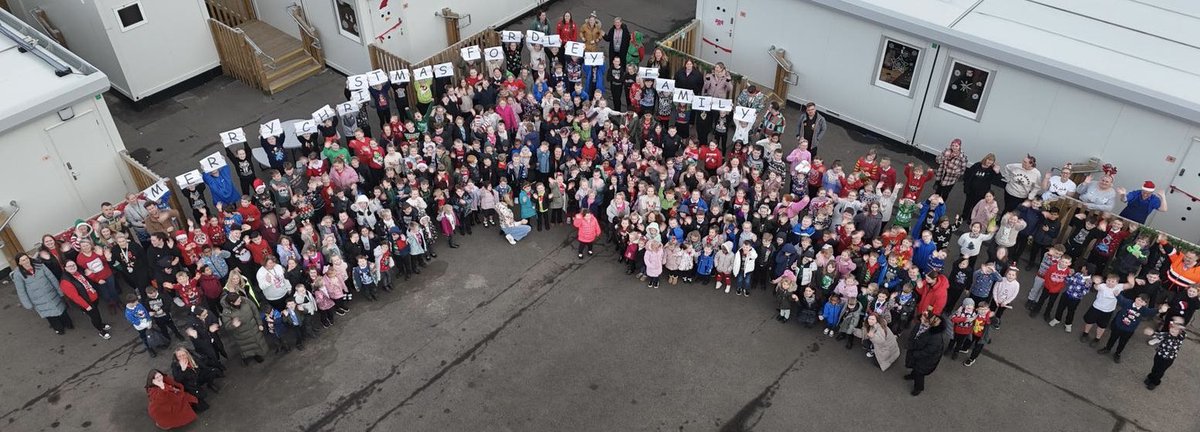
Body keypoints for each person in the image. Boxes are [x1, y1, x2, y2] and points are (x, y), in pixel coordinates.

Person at [12, 253, 73, 335]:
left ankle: (68, 324)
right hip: (38, 299)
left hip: (51, 293)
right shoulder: (18, 274)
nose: (26, 261)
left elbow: (51, 277)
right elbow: (21, 291)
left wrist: (59, 291)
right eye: (23, 260)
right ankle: (59, 329)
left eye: (26, 258)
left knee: (61, 310)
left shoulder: (39, 265)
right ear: (19, 263)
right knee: (50, 316)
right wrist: (27, 304)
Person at [58, 260, 112, 339]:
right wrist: (86, 306)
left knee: (96, 313)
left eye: (73, 265)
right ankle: (101, 329)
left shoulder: (78, 272)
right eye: (69, 266)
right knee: (95, 316)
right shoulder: (65, 282)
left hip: (93, 298)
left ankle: (101, 324)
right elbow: (75, 297)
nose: (72, 267)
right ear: (65, 268)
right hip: (87, 303)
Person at [1097, 294, 1156, 363]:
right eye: (1138, 300)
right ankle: (1107, 348)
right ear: (1135, 298)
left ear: (1145, 304)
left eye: (1142, 302)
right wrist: (1117, 294)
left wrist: (1161, 310)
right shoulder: (1128, 302)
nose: (1139, 302)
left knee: (1123, 342)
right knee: (1112, 338)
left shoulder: (1143, 310)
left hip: (1128, 330)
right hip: (1118, 326)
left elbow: (1152, 311)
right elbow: (1121, 299)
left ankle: (1118, 353)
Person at [219, 292, 268, 366]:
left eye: (240, 299)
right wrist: (233, 325)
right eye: (238, 301)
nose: (240, 301)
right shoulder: (226, 312)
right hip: (241, 334)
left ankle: (257, 355)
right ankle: (245, 357)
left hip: (253, 328)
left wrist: (259, 323)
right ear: (232, 303)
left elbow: (255, 311)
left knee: (256, 343)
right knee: (245, 347)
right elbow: (227, 326)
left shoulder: (245, 301)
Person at [904, 312, 945, 396]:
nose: (921, 319)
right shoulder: (925, 327)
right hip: (919, 355)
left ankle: (918, 388)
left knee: (919, 374)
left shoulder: (935, 338)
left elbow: (928, 351)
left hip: (926, 360)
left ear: (929, 322)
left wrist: (916, 354)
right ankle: (912, 375)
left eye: (923, 319)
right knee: (915, 368)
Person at [1142, 317, 1186, 390]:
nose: (1173, 330)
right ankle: (1151, 377)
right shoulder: (1166, 334)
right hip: (1159, 354)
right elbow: (1157, 335)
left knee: (1160, 371)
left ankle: (1155, 382)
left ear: (1180, 330)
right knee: (1155, 367)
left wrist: (1180, 322)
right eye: (1172, 328)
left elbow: (1183, 328)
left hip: (1168, 359)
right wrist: (1151, 333)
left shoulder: (1181, 336)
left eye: (1176, 329)